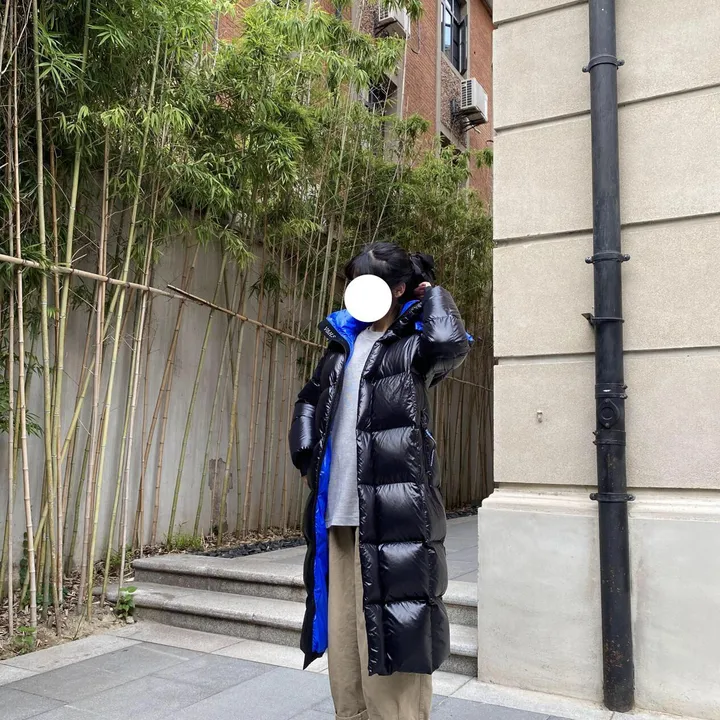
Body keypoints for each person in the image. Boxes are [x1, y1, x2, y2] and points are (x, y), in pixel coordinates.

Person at [289, 242, 471, 720]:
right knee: (345, 647)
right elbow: (309, 398)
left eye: (366, 284)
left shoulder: (413, 345)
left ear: (398, 288)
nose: (355, 293)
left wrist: (433, 295)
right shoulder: (341, 344)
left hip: (393, 517)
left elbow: (450, 343)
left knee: (392, 643)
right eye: (352, 284)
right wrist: (306, 452)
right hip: (338, 515)